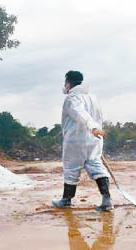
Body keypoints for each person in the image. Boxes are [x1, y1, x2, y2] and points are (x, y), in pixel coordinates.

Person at [52, 71, 113, 211]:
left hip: (76, 140)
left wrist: (93, 127)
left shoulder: (72, 98)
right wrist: (95, 130)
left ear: (68, 83)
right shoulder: (93, 98)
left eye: (65, 83)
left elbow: (80, 114)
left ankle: (66, 200)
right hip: (95, 140)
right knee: (97, 167)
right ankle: (107, 200)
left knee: (71, 169)